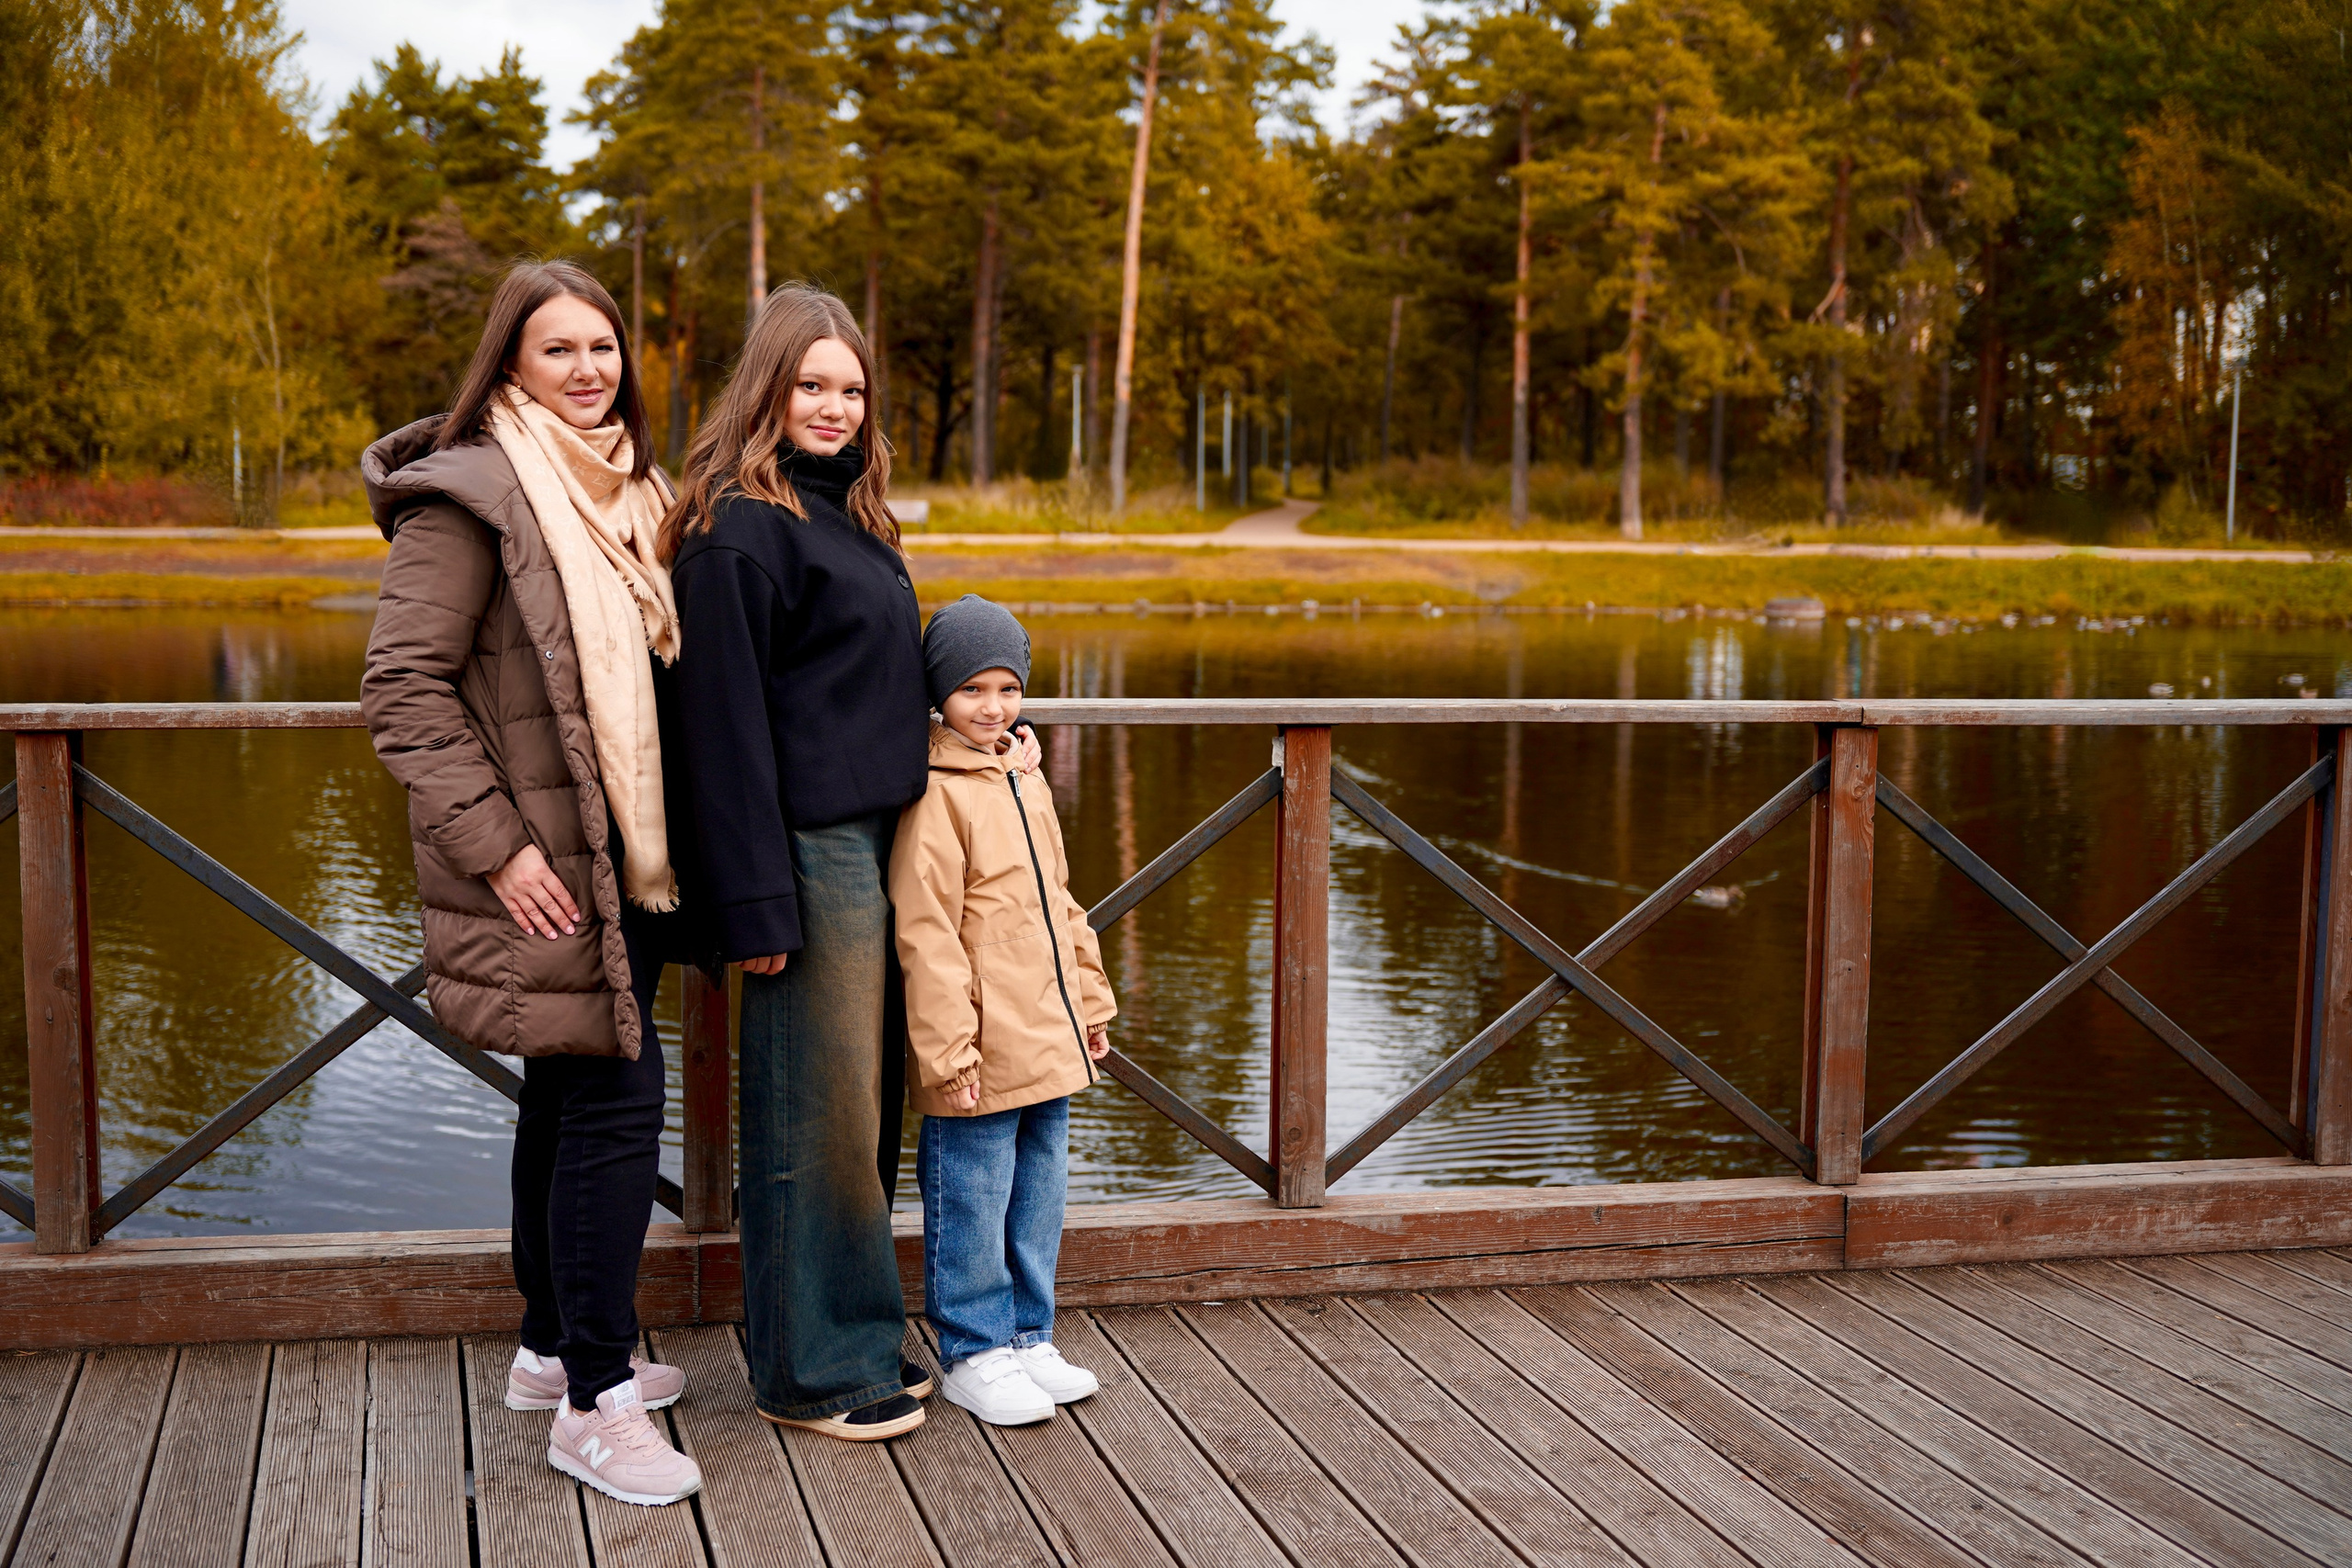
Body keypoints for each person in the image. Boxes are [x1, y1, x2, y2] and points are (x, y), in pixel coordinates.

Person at [662, 284, 1042, 1439]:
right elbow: (718, 734)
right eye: (810, 384)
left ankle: (864, 1335)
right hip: (804, 855)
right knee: (811, 1117)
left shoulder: (854, 519)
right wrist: (754, 903)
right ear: (766, 390)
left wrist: (982, 737)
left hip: (890, 842)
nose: (833, 406)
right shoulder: (735, 529)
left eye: (851, 388)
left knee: (868, 1115)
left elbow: (863, 693)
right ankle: (810, 1372)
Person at [361, 261, 702, 1506]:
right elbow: (402, 688)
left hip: (629, 855)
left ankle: (548, 1346)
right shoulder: (473, 493)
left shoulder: (632, 492)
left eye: (603, 346)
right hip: (543, 865)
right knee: (614, 1098)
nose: (588, 369)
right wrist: (500, 846)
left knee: (568, 1098)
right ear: (509, 363)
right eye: (558, 349)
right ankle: (595, 1401)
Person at [890, 596, 1116, 1427]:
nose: (993, 707)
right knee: (973, 1189)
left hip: (1047, 1031)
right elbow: (928, 933)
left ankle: (1028, 1333)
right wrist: (948, 1051)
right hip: (978, 1045)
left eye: (1007, 688)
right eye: (972, 690)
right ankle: (974, 1349)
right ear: (939, 695)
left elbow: (1061, 902)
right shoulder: (935, 792)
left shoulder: (1024, 776)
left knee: (1038, 1187)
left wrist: (1090, 1002)